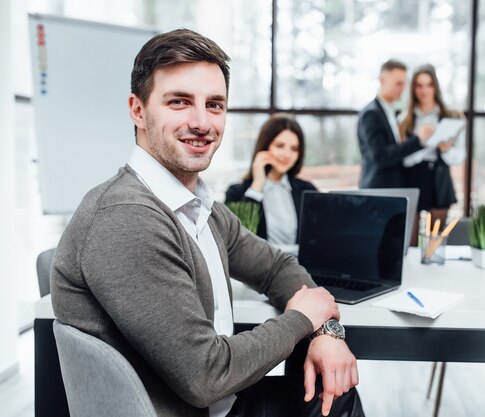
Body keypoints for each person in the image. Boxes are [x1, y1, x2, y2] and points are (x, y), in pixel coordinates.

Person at [50, 29, 363, 417]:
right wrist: (304, 319)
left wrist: (325, 332)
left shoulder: (197, 205)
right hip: (194, 407)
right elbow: (205, 376)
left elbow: (276, 266)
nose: (201, 122)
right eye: (179, 102)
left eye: (214, 105)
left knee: (332, 386)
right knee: (334, 395)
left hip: (222, 403)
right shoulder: (127, 217)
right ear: (137, 110)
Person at [225, 114, 316, 245]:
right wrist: (257, 185)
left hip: (299, 265)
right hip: (259, 265)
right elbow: (236, 241)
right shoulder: (236, 193)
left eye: (294, 149)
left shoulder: (307, 190)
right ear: (266, 146)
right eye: (280, 146)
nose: (287, 155)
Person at [399, 64, 466, 230]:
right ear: (413, 88)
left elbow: (459, 156)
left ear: (435, 87)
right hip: (413, 178)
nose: (424, 91)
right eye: (419, 85)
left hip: (440, 177)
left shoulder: (451, 115)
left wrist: (446, 149)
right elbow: (403, 159)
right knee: (409, 239)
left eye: (429, 85)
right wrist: (422, 143)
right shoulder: (404, 119)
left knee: (435, 241)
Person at [357, 59, 424, 189]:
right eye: (398, 83)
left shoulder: (393, 113)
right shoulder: (371, 114)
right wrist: (418, 141)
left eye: (404, 84)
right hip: (378, 191)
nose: (402, 89)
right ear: (382, 80)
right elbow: (381, 156)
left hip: (394, 189)